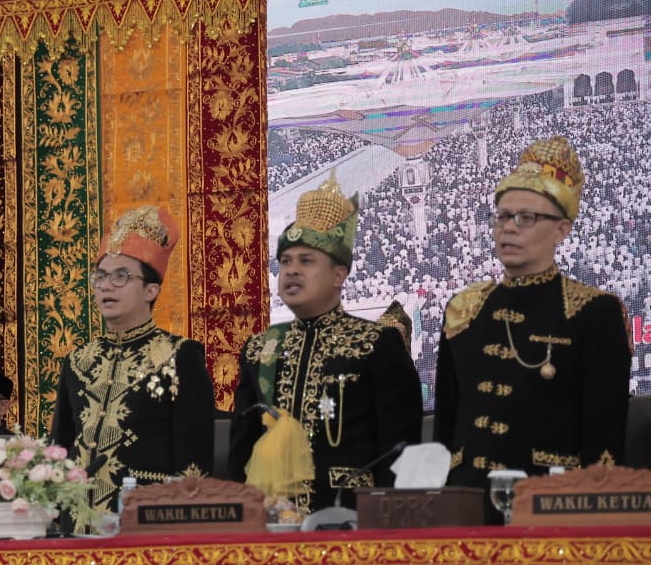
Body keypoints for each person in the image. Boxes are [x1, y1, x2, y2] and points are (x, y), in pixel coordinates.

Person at [434, 136, 631, 506]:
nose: (509, 228)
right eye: (503, 216)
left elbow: (604, 439)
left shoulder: (592, 312)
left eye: (527, 218)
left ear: (562, 229)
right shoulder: (463, 310)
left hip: (549, 508)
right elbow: (446, 430)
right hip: (466, 505)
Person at [228, 174, 422, 513]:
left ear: (338, 275)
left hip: (349, 518)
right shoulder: (260, 350)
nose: (291, 271)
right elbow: (240, 453)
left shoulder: (376, 344)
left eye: (306, 261)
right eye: (285, 262)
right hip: (271, 520)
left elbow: (400, 449)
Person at [50, 205, 216, 514]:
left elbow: (194, 465)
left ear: (150, 290)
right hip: (76, 523)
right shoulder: (77, 361)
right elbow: (59, 448)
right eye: (100, 276)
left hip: (146, 522)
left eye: (121, 276)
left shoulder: (178, 356)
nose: (105, 286)